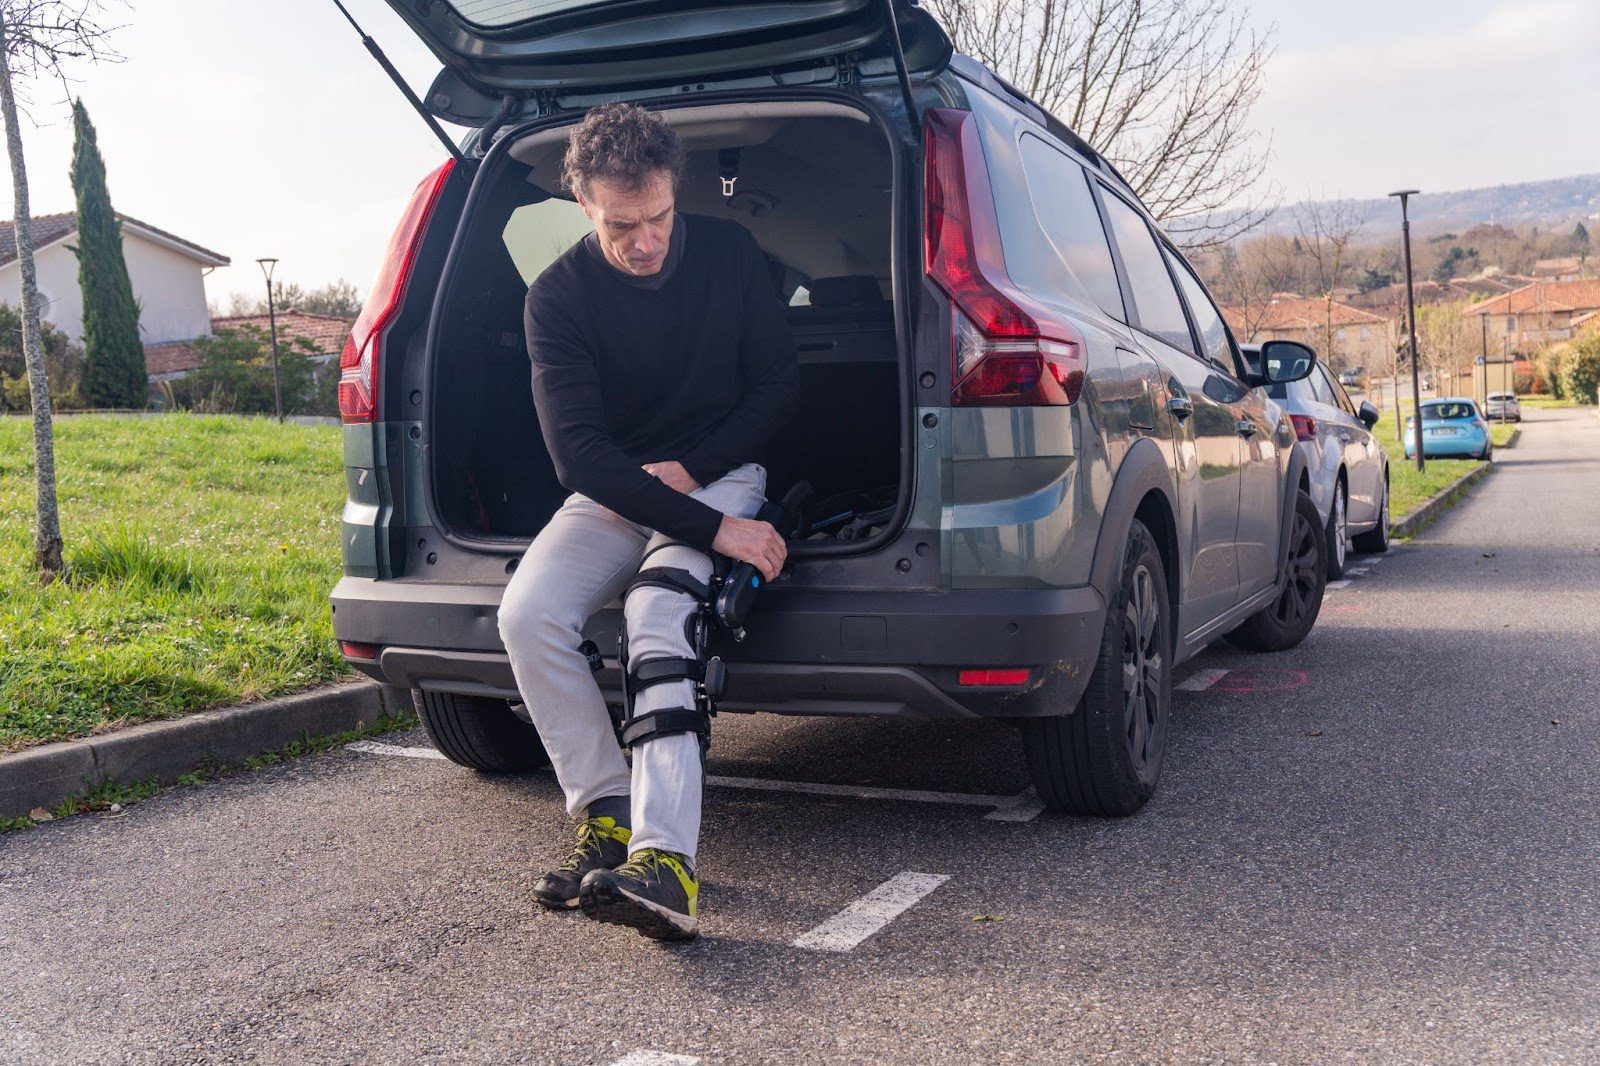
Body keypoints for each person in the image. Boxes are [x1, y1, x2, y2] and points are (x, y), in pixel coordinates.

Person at [497, 102, 799, 942]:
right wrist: (710, 529)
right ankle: (608, 813)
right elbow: (578, 457)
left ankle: (666, 861)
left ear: (675, 191)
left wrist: (699, 485)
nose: (645, 241)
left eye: (658, 217)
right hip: (614, 489)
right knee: (527, 615)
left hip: (721, 474)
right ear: (584, 206)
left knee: (658, 612)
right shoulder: (557, 297)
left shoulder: (731, 254)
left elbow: (778, 390)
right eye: (621, 225)